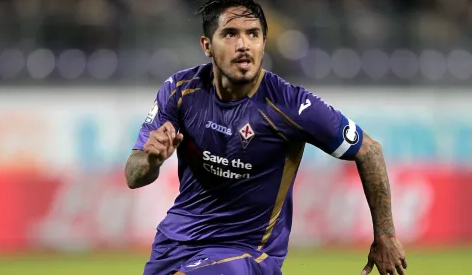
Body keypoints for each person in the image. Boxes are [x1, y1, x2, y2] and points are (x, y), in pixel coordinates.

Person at [125, 0, 408, 274]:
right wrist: (151, 160)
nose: (243, 45)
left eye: (253, 34)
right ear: (207, 46)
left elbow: (368, 150)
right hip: (174, 244)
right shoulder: (180, 90)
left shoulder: (290, 105)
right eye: (230, 34)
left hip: (247, 253)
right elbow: (134, 176)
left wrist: (385, 235)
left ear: (264, 42)